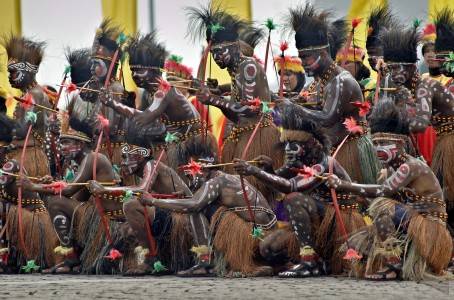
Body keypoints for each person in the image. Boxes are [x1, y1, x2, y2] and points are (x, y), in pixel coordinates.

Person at [326, 99, 452, 280]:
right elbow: (383, 202)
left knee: (383, 206)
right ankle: (393, 261)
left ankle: (394, 264)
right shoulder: (394, 169)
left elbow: (383, 192)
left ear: (401, 143)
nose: (378, 149)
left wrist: (344, 185)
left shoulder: (410, 166)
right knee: (365, 241)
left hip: (431, 234)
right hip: (412, 228)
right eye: (375, 143)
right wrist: (361, 198)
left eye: (384, 142)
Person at [234, 105, 364, 277]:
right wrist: (269, 170)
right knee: (268, 248)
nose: (287, 149)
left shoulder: (323, 163)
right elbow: (278, 181)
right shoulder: (299, 162)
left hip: (338, 223)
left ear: (310, 145)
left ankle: (309, 261)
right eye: (286, 144)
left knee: (294, 199)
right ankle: (312, 262)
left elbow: (291, 187)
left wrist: (255, 172)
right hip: (317, 219)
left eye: (293, 144)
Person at [140, 140, 278, 277]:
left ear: (203, 169)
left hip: (257, 236)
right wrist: (184, 199)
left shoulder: (218, 182)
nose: (189, 177)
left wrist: (153, 201)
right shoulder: (226, 179)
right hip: (264, 235)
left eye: (189, 172)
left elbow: (194, 204)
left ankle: (205, 263)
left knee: (194, 212)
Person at [187, 5, 283, 199]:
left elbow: (248, 110)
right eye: (213, 53)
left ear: (235, 45)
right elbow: (238, 95)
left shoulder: (248, 67)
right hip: (244, 136)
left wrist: (213, 99)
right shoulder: (236, 69)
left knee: (253, 197)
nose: (216, 57)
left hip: (257, 137)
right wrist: (218, 90)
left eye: (220, 51)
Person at [282, 3, 379, 184]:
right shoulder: (320, 81)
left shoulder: (341, 81)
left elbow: (327, 118)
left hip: (351, 150)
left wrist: (294, 107)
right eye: (301, 57)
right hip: (332, 152)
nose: (302, 63)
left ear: (324, 52)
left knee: (352, 205)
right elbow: (312, 106)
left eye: (306, 57)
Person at [88, 144, 194, 276]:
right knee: (126, 229)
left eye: (126, 157)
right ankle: (129, 261)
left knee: (131, 205)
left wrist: (105, 190)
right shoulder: (145, 171)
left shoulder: (152, 164)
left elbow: (142, 190)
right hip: (167, 211)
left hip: (181, 213)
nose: (122, 162)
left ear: (141, 155)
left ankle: (150, 259)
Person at [3, 35, 52, 177]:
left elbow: (21, 131)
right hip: (26, 156)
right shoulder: (31, 94)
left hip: (29, 159)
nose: (9, 77)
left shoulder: (35, 94)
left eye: (13, 72)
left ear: (27, 71)